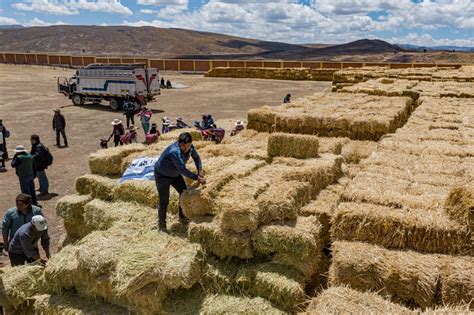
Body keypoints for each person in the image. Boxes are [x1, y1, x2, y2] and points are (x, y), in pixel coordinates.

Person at [154, 132, 206, 232]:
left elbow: (196, 158)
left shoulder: (190, 147)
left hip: (175, 174)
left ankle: (182, 216)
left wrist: (200, 170)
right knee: (164, 200)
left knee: (184, 193)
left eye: (187, 145)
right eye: (183, 145)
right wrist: (197, 178)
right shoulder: (174, 152)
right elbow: (182, 169)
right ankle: (162, 226)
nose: (185, 148)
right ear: (179, 143)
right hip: (162, 175)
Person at [2, 194, 44, 259]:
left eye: (21, 205)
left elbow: (41, 227)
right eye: (17, 204)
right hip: (16, 247)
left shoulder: (36, 211)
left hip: (31, 245)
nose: (18, 207)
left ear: (27, 204)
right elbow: (5, 227)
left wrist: (46, 247)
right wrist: (5, 242)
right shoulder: (11, 213)